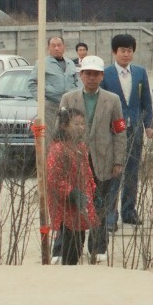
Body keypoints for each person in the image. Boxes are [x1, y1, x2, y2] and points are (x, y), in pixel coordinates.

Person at [59, 55, 126, 263]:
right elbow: (59, 131)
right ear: (81, 75)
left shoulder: (112, 100)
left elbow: (119, 131)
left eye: (95, 74)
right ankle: (66, 249)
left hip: (102, 161)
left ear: (102, 76)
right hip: (74, 162)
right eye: (87, 73)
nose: (91, 78)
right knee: (71, 206)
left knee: (101, 207)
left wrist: (118, 161)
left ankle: (98, 247)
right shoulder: (68, 99)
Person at [100, 34, 153, 228]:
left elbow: (146, 100)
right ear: (115, 52)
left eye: (129, 50)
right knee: (115, 172)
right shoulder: (106, 74)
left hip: (135, 129)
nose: (126, 54)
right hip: (114, 132)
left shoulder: (139, 73)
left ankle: (129, 211)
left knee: (132, 172)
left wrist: (148, 124)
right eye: (122, 50)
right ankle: (110, 215)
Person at [46, 108, 97, 266]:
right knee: (68, 248)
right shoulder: (58, 149)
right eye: (76, 124)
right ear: (64, 126)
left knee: (78, 244)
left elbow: (87, 173)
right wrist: (72, 192)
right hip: (65, 207)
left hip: (81, 205)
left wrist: (93, 191)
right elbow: (53, 179)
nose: (81, 127)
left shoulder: (81, 147)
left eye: (83, 124)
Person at [29, 36, 80, 145]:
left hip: (68, 107)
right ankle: (47, 161)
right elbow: (32, 83)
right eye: (53, 46)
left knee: (69, 137)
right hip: (50, 107)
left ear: (64, 47)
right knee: (49, 138)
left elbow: (75, 82)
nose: (56, 48)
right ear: (49, 48)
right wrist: (41, 100)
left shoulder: (70, 63)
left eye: (59, 45)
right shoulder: (42, 63)